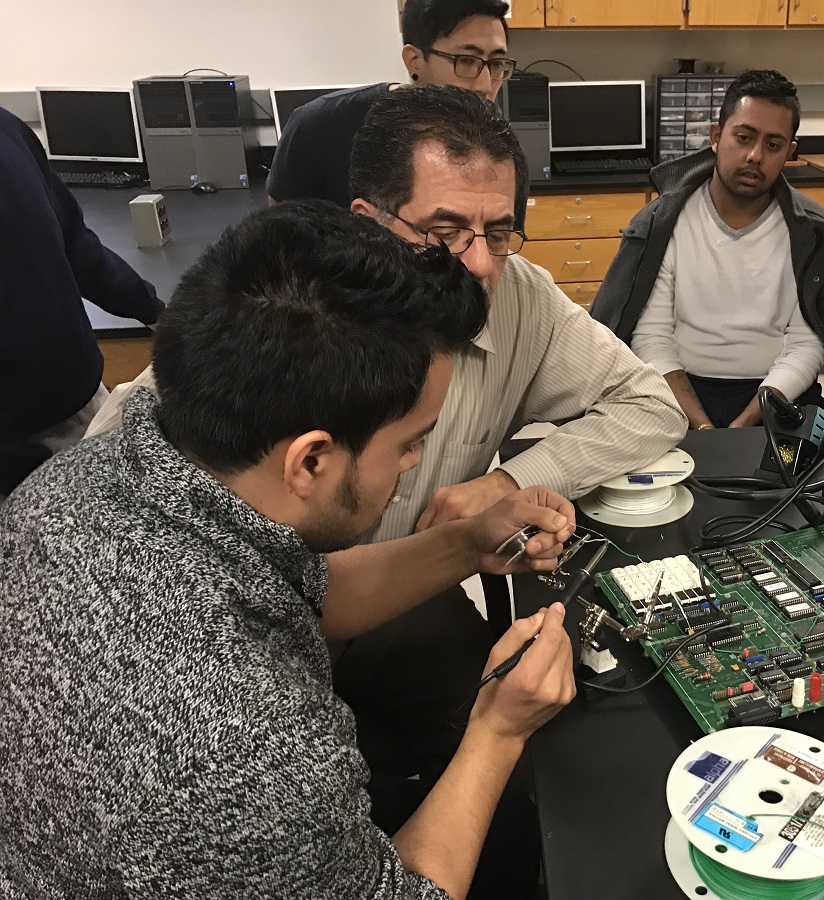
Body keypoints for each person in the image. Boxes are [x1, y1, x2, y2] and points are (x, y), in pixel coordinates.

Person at [86, 82, 685, 847]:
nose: (478, 267)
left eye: (499, 233)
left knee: (555, 763)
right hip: (237, 665)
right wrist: (491, 739)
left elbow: (649, 405)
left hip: (356, 604)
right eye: (443, 234)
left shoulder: (517, 301)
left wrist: (495, 498)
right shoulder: (278, 334)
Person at [0, 200, 579, 900]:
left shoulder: (88, 476)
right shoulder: (247, 756)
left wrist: (464, 543)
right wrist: (497, 729)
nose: (413, 462)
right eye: (409, 444)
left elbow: (299, 592)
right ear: (309, 462)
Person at [591, 69, 824, 428]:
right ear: (715, 136)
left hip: (778, 392)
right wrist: (702, 426)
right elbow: (651, 337)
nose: (755, 155)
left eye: (773, 145)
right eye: (743, 137)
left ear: (789, 152)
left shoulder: (812, 235)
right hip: (673, 389)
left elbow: (806, 345)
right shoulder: (664, 224)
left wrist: (745, 424)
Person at [0, 106, 162, 501]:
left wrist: (155, 312)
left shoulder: (9, 132)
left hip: (85, 404)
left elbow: (73, 243)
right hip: (19, 449)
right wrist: (18, 465)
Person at [267, 0, 514, 207]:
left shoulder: (500, 150)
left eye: (496, 64)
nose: (485, 85)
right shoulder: (319, 128)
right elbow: (276, 241)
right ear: (414, 60)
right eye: (466, 61)